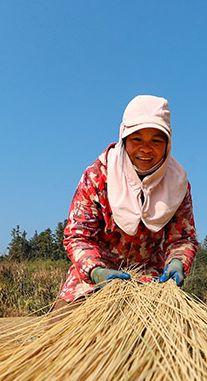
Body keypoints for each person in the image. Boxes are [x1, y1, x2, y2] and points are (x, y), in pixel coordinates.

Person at [54, 95, 198, 314]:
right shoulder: (98, 175)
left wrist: (178, 263)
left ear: (168, 143)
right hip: (96, 275)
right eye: (137, 139)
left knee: (180, 339)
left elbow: (183, 239)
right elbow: (78, 235)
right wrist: (96, 272)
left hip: (152, 278)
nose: (146, 149)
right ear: (124, 139)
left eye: (156, 141)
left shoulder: (177, 183)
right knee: (58, 334)